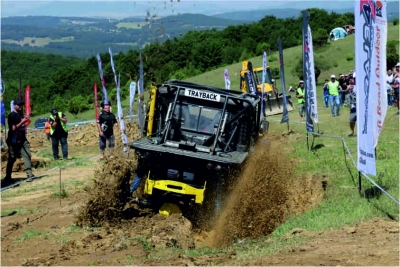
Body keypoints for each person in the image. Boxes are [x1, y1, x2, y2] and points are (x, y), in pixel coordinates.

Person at [2, 100, 35, 183]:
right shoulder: (12, 116)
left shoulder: (21, 114)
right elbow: (13, 128)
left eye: (21, 105)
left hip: (23, 140)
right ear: (15, 106)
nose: (21, 106)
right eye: (19, 105)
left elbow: (23, 126)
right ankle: (8, 177)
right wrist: (22, 122)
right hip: (13, 141)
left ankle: (29, 174)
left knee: (27, 155)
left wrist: (25, 124)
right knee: (12, 159)